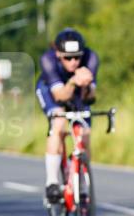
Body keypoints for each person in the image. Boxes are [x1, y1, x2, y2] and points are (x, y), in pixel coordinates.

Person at [35, 28, 99, 205]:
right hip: (51, 91)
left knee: (85, 134)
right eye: (68, 58)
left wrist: (86, 85)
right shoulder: (48, 60)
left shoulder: (91, 58)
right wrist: (72, 81)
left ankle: (81, 182)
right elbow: (60, 96)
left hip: (77, 91)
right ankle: (52, 183)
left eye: (77, 57)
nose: (73, 62)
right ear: (58, 54)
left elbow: (91, 98)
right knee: (59, 123)